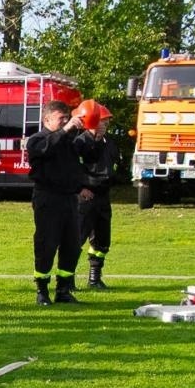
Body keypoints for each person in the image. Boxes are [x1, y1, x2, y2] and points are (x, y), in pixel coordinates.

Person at [26, 100, 90, 305]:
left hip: (69, 199)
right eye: (61, 118)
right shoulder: (37, 139)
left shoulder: (70, 140)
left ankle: (63, 289)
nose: (65, 121)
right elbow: (45, 149)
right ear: (47, 119)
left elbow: (88, 157)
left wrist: (94, 134)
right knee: (47, 244)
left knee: (72, 245)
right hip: (47, 197)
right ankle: (41, 290)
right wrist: (67, 129)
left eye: (66, 117)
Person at [72, 99, 117, 290]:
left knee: (101, 240)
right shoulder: (79, 143)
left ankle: (95, 278)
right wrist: (80, 189)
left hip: (103, 197)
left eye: (106, 122)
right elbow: (70, 169)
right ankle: (67, 280)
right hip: (84, 197)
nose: (104, 125)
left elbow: (113, 166)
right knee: (76, 239)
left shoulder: (109, 144)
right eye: (101, 121)